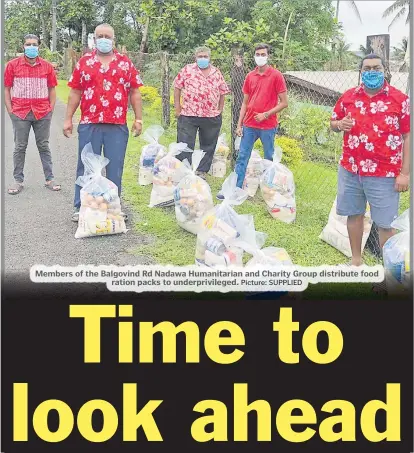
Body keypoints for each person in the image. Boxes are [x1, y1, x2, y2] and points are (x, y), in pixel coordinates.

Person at [330, 53, 410, 274]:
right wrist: (339, 124)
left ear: (384, 71)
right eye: (367, 69)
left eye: (376, 68)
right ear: (360, 72)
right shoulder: (348, 97)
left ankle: (388, 276)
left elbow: (407, 136)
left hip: (384, 173)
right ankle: (356, 262)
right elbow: (333, 123)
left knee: (385, 225)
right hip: (351, 169)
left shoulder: (400, 100)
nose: (372, 72)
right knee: (353, 214)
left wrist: (405, 173)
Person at [64, 23, 143, 222]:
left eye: (107, 36)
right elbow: (75, 91)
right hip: (90, 123)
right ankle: (81, 205)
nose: (103, 39)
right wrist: (67, 119)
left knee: (115, 166)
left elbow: (134, 91)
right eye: (99, 36)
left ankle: (112, 205)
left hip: (117, 125)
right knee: (86, 165)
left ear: (113, 39)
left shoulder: (125, 63)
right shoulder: (84, 62)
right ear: (94, 38)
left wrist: (139, 118)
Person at [218, 44, 288, 198]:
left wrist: (266, 114)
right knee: (242, 156)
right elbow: (244, 102)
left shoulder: (276, 76)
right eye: (258, 54)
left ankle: (268, 191)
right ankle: (236, 189)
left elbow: (284, 102)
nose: (260, 57)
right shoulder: (250, 76)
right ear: (254, 56)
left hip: (268, 126)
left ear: (268, 56)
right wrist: (239, 124)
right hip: (249, 125)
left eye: (263, 54)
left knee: (268, 158)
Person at [4, 34, 61, 195]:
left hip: (42, 112)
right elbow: (7, 88)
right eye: (28, 44)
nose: (31, 47)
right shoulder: (12, 66)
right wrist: (10, 110)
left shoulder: (47, 66)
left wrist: (50, 109)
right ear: (23, 46)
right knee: (20, 146)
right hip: (20, 112)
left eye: (34, 44)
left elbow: (52, 89)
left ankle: (50, 178)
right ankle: (18, 181)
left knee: (43, 145)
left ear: (39, 47)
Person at [173, 46, 230, 179]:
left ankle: (202, 171)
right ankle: (184, 171)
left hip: (210, 115)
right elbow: (177, 87)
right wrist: (177, 107)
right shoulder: (187, 70)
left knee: (208, 145)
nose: (203, 59)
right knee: (185, 143)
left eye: (205, 56)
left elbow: (223, 92)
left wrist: (220, 109)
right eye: (200, 56)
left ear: (210, 58)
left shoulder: (216, 73)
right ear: (195, 57)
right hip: (188, 113)